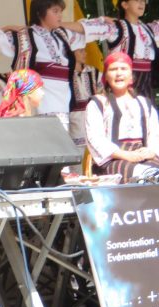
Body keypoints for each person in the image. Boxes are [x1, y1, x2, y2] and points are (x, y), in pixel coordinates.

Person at [0, 0, 87, 115]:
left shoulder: (62, 37)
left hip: (63, 107)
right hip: (39, 108)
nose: (60, 15)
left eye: (60, 11)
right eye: (55, 11)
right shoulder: (24, 36)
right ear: (40, 12)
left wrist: (104, 22)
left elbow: (86, 29)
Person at [85, 52, 159, 183]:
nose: (119, 73)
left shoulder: (144, 103)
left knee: (152, 170)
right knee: (140, 173)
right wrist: (126, 155)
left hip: (143, 154)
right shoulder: (98, 103)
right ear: (106, 77)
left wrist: (152, 151)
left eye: (123, 69)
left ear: (131, 76)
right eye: (113, 69)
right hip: (113, 159)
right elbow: (94, 138)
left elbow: (155, 134)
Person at [73, 0, 159, 102]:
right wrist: (57, 25)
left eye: (143, 1)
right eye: (137, 0)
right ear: (124, 4)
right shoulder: (116, 28)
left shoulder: (149, 29)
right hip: (122, 83)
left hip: (146, 85)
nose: (141, 3)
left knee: (147, 115)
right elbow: (84, 28)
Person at [69, 47, 102, 173]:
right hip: (74, 119)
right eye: (81, 51)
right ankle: (76, 185)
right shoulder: (66, 73)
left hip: (92, 117)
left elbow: (101, 93)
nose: (85, 53)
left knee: (97, 151)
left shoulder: (93, 71)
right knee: (77, 154)